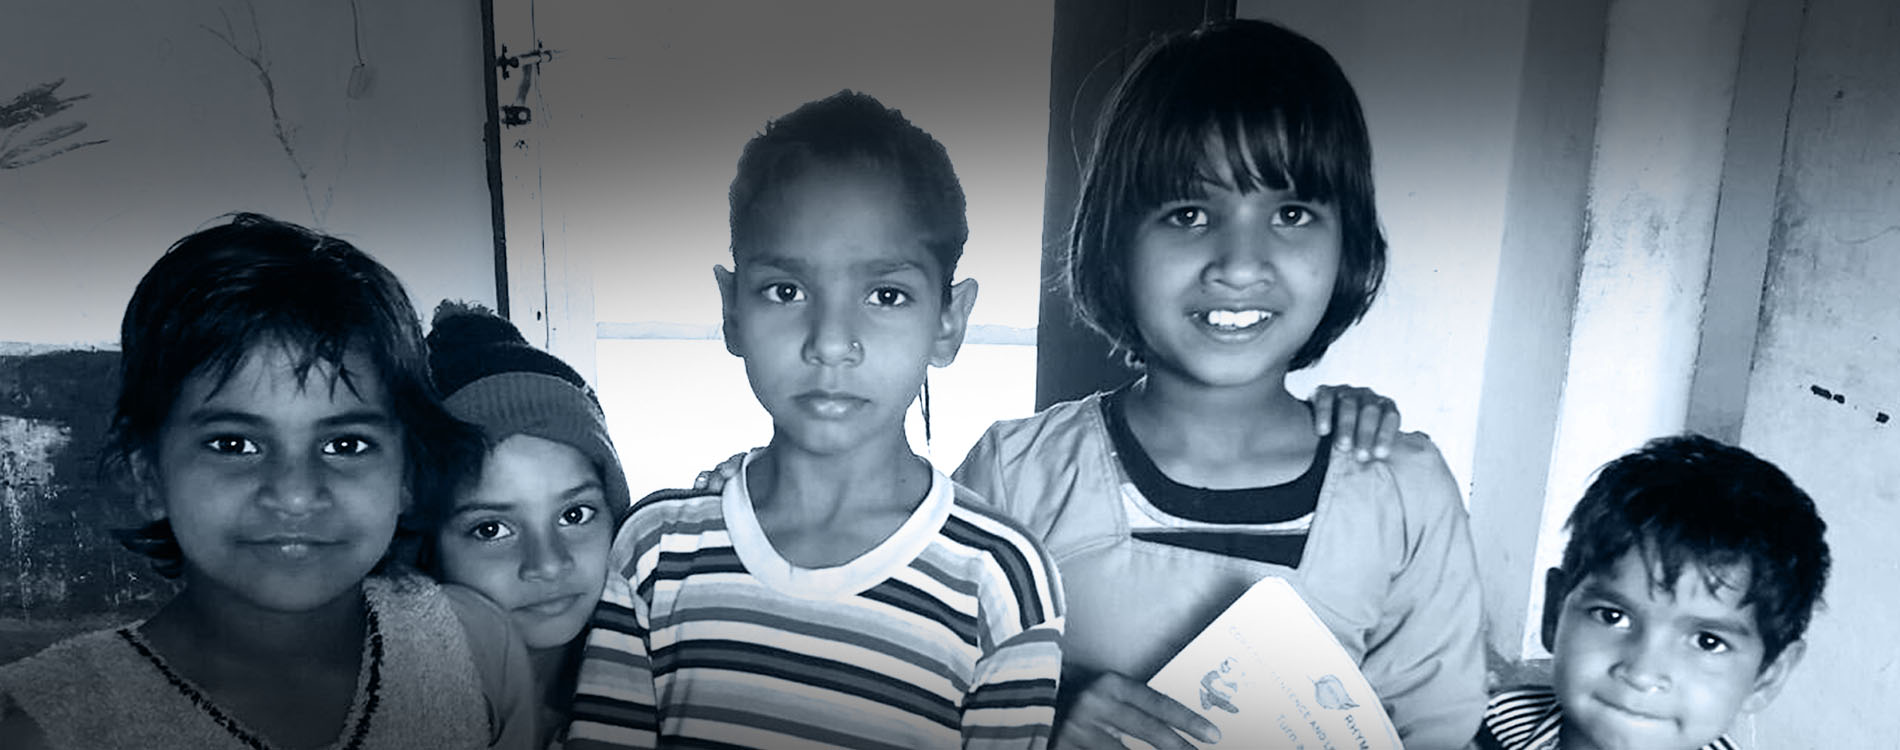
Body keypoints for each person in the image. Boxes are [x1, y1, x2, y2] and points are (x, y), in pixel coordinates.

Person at [951, 19, 1485, 749]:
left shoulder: (1403, 495)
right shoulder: (1019, 476)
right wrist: (1039, 716)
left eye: (1290, 213)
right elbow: (912, 692)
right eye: (1189, 214)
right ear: (1115, 240)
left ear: (1348, 242)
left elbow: (1434, 730)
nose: (1238, 264)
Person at [563, 90, 1066, 750]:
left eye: (885, 295)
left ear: (949, 321)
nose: (830, 342)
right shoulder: (657, 550)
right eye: (786, 291)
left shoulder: (1000, 581)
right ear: (732, 309)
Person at [0, 213, 535, 749]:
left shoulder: (475, 651)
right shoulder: (45, 729)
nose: (295, 494)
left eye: (345, 445)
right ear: (148, 474)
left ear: (408, 474)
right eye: (234, 445)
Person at [1474, 434, 1830, 750]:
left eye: (1707, 641)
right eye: (1612, 616)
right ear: (1555, 612)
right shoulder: (1473, 729)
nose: (1642, 673)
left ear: (1767, 676)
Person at [423, 301, 634, 748]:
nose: (548, 563)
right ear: (426, 544)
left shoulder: (665, 672)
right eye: (491, 529)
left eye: (574, 515)